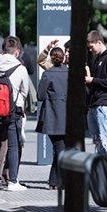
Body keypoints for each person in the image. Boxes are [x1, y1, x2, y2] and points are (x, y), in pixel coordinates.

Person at [0, 36, 31, 192]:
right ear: (17, 52)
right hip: (13, 111)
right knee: (14, 146)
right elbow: (25, 90)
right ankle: (13, 182)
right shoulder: (20, 68)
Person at [85, 30, 107, 169]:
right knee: (98, 141)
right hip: (94, 104)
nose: (90, 49)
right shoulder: (98, 58)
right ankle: (103, 170)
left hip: (104, 105)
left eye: (91, 46)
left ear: (99, 42)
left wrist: (92, 79)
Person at [37, 47, 68, 189]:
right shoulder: (70, 73)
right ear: (63, 58)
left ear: (51, 58)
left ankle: (56, 182)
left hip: (51, 117)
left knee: (59, 149)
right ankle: (56, 182)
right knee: (61, 149)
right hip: (68, 117)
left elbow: (40, 96)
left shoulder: (47, 74)